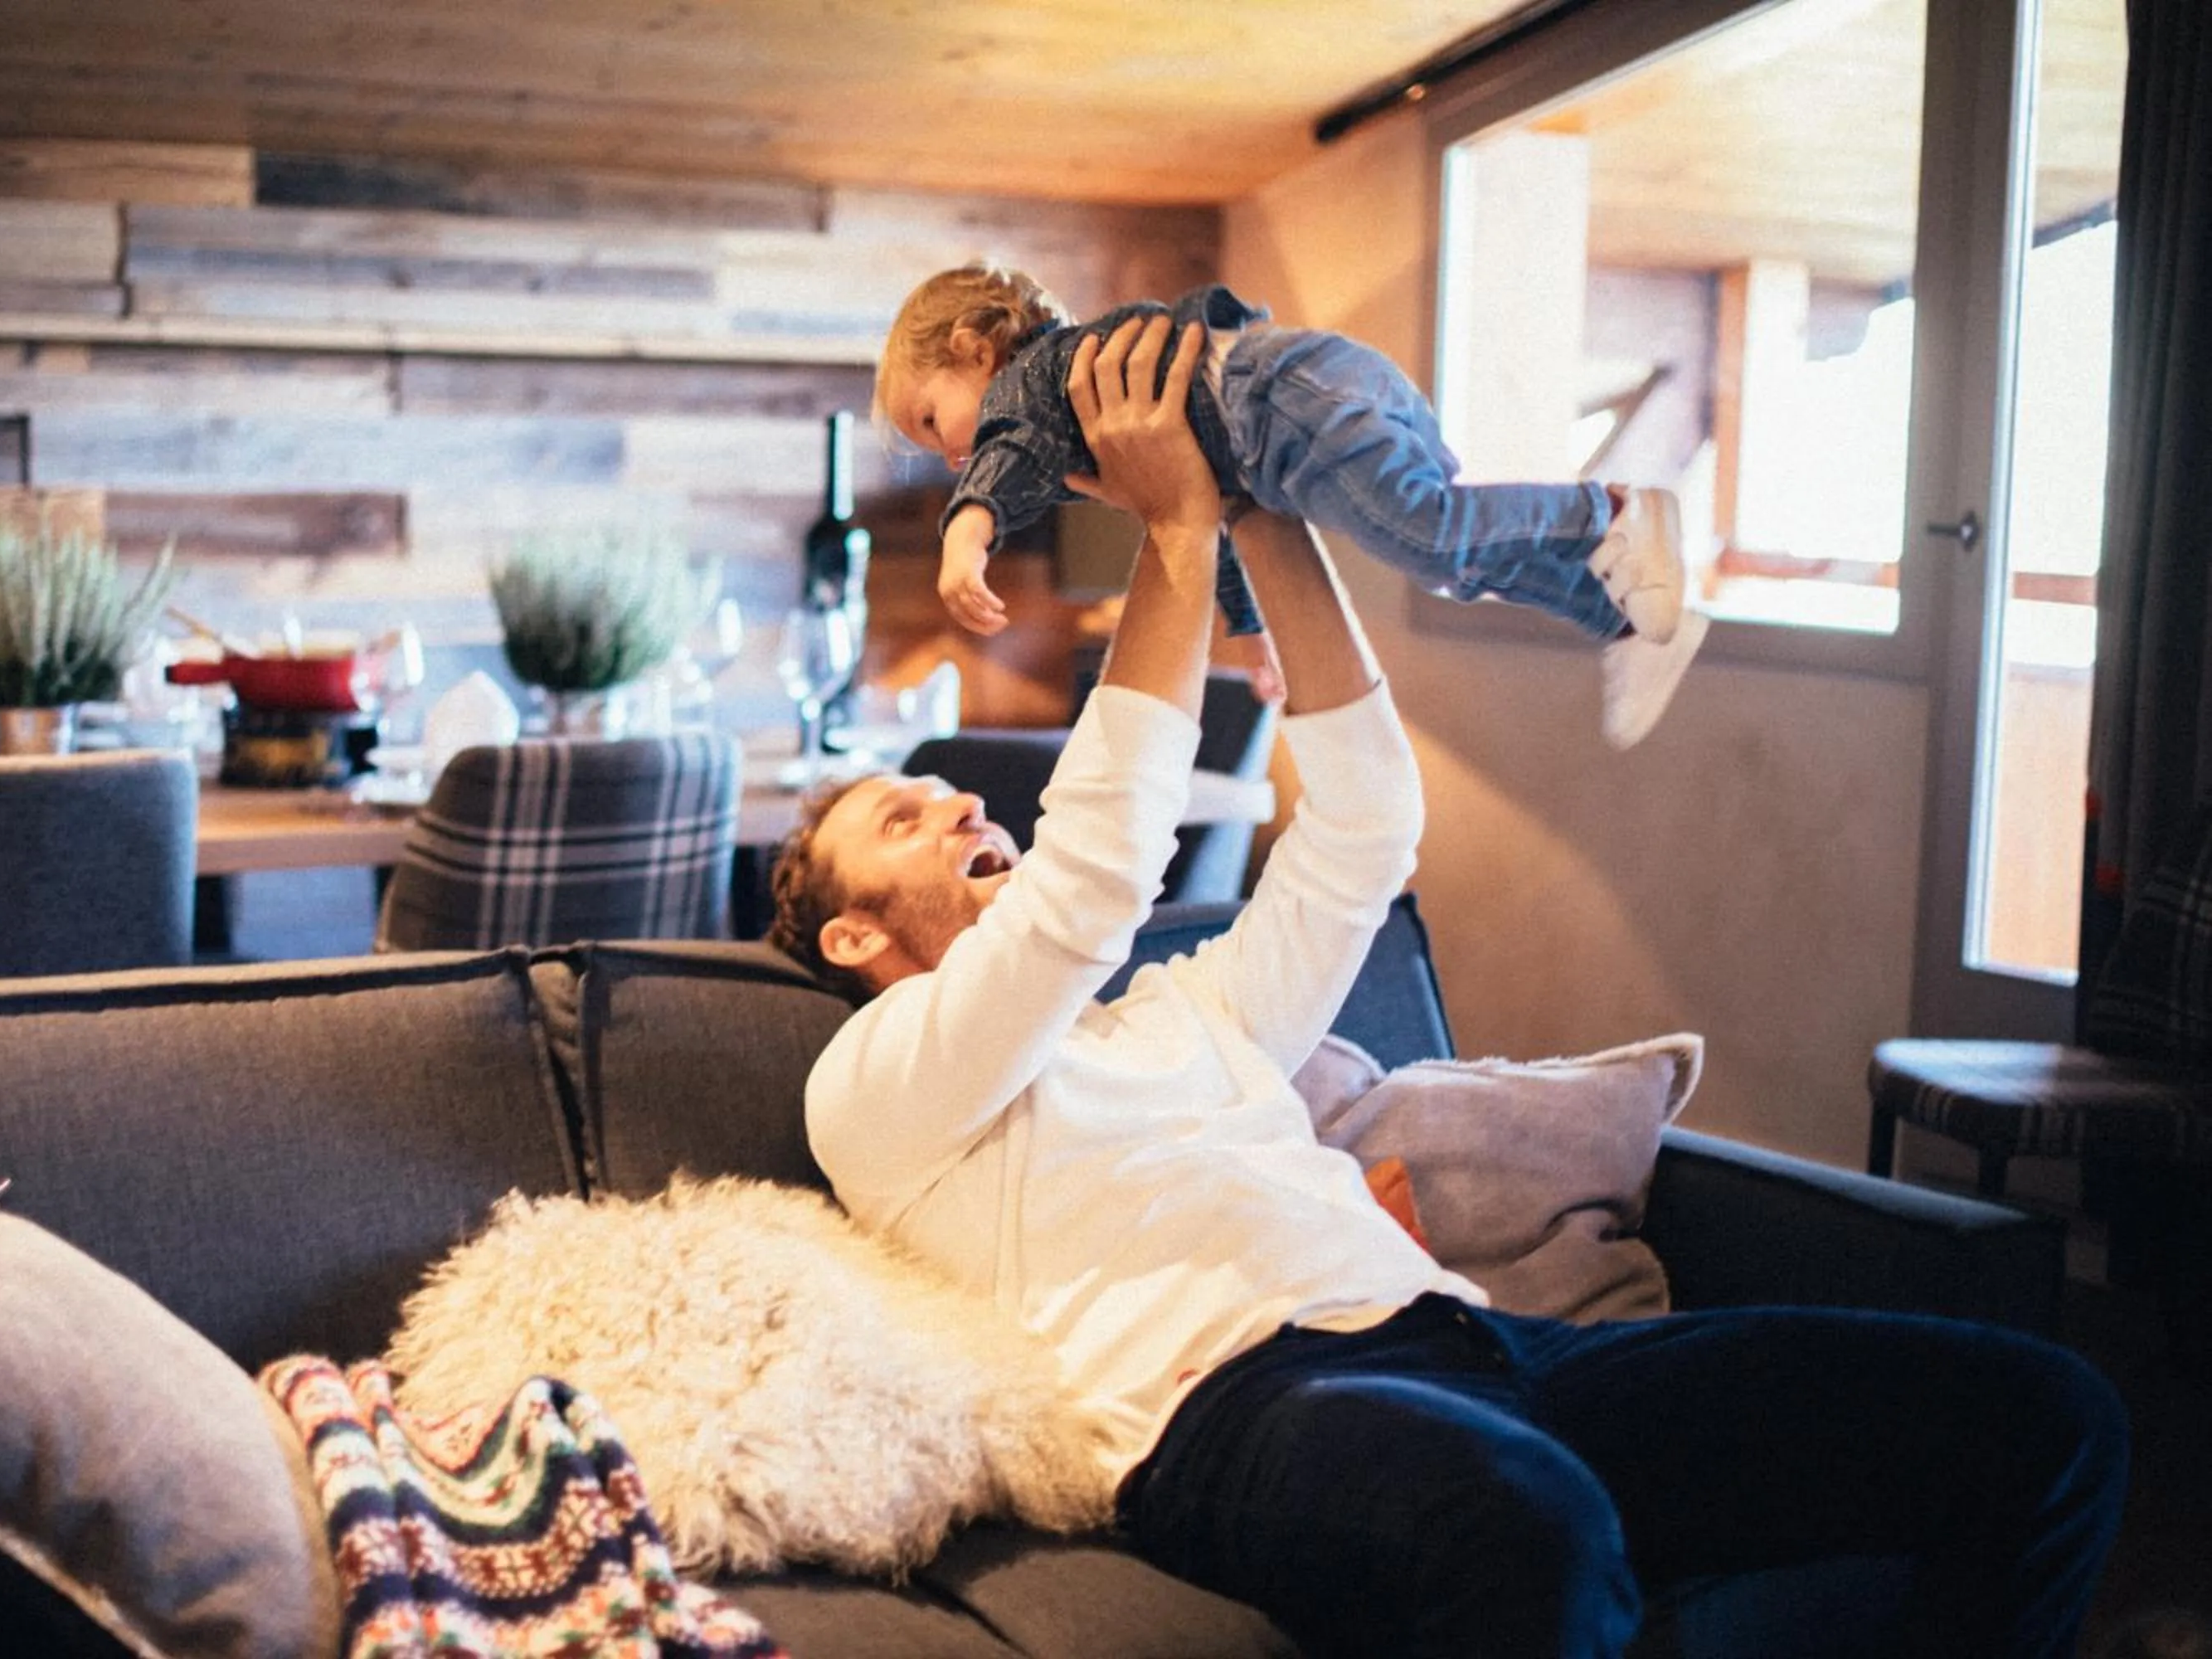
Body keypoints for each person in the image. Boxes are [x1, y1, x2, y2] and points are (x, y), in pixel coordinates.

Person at [774, 311, 2129, 1657]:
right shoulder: (877, 1090)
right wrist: (1172, 536)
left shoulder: (1183, 1013)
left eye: (944, 792)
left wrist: (1253, 510)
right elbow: (1090, 890)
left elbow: (1362, 835)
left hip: (1484, 1349)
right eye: (902, 822)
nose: (955, 803)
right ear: (851, 938)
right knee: (1529, 1532)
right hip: (1241, 1407)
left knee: (2051, 1417)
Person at [876, 264, 1707, 748]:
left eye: (930, 420)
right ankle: (1624, 612)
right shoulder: (1088, 429)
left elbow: (1000, 456)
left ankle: (1610, 509)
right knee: (1453, 565)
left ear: (973, 349)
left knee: (1427, 531)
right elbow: (1221, 503)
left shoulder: (1036, 380)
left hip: (1279, 393)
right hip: (1290, 418)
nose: (950, 453)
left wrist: (965, 538)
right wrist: (1254, 632)